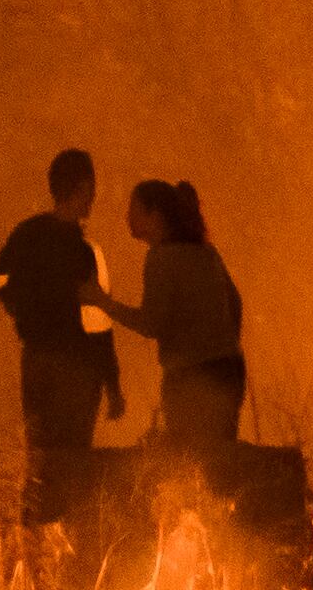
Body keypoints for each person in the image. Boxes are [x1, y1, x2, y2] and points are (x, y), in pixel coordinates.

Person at [0, 147, 123, 522]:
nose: (94, 197)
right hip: (76, 370)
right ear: (81, 188)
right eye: (92, 189)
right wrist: (112, 383)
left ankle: (32, 542)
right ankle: (63, 542)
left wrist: (24, 313)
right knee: (72, 465)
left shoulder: (27, 234)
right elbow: (97, 320)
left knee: (40, 460)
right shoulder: (83, 251)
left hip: (36, 360)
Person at [101, 176, 251, 452]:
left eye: (133, 210)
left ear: (155, 216)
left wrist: (105, 304)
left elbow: (151, 324)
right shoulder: (206, 252)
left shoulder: (161, 258)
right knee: (220, 458)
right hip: (229, 370)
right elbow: (236, 304)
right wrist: (222, 344)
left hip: (191, 377)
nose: (126, 218)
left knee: (187, 461)